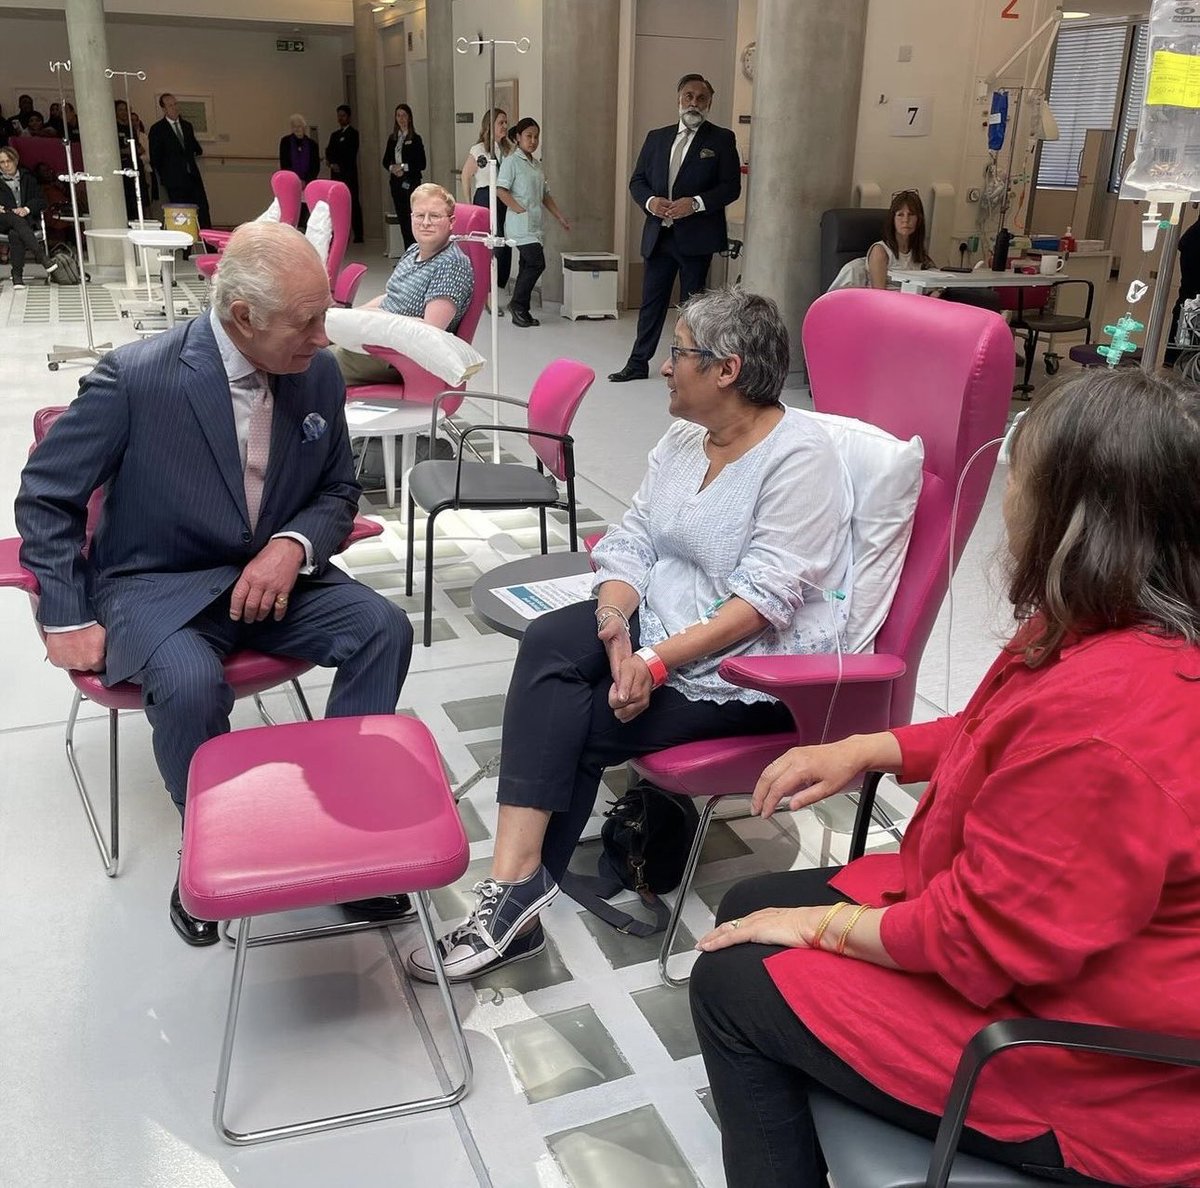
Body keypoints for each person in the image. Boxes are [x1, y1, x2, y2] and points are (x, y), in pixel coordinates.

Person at [688, 367, 1200, 1188]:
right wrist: (866, 748)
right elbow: (998, 732)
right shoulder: (1112, 624)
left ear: (1078, 516)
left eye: (1019, 478)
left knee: (730, 982)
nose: (1007, 502)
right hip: (1054, 957)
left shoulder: (1115, 721)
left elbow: (976, 940)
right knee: (751, 906)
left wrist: (819, 931)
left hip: (1086, 1061)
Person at [404, 287, 854, 984]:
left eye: (678, 353)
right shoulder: (683, 440)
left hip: (749, 668)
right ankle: (517, 886)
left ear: (726, 369)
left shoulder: (801, 458)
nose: (665, 367)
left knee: (578, 719)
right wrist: (616, 627)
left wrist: (654, 661)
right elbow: (634, 537)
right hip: (658, 621)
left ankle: (512, 902)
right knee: (553, 641)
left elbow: (764, 602)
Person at [16, 223, 415, 946]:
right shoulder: (138, 377)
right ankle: (209, 845)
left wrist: (292, 546)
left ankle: (341, 823)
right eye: (307, 321)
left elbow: (337, 490)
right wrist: (66, 612)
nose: (325, 338)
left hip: (271, 576)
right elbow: (47, 497)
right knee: (193, 683)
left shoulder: (315, 372)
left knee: (383, 629)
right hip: (158, 582)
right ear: (242, 318)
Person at [609, 75, 741, 382]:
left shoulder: (721, 139)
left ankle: (688, 368)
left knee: (693, 308)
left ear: (710, 103)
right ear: (678, 99)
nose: (694, 103)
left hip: (697, 238)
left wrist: (694, 203)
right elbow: (637, 181)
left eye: (701, 98)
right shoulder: (657, 137)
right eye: (688, 96)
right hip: (659, 235)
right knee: (651, 303)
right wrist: (651, 202)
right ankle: (638, 362)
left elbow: (730, 187)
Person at [330, 182, 474, 388]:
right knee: (310, 340)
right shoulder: (413, 251)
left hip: (397, 355)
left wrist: (376, 321)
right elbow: (389, 298)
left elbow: (430, 330)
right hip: (378, 338)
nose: (425, 222)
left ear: (451, 222)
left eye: (434, 216)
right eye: (419, 215)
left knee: (315, 364)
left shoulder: (451, 264)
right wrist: (353, 317)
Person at [495, 117, 571, 328]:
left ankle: (523, 310)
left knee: (527, 265)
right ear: (518, 137)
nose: (533, 140)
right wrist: (519, 209)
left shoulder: (536, 166)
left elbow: (545, 195)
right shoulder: (511, 161)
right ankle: (517, 305)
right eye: (528, 136)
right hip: (520, 225)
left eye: (536, 137)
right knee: (537, 263)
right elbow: (501, 190)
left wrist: (560, 217)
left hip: (535, 225)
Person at [461, 107, 512, 309]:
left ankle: (495, 289)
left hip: (502, 197)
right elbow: (466, 176)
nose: (505, 126)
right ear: (490, 125)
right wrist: (469, 205)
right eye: (501, 122)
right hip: (485, 197)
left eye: (506, 122)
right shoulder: (479, 150)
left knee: (503, 245)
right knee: (490, 247)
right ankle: (488, 296)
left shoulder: (508, 149)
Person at [148, 92, 211, 229]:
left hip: (192, 176)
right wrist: (166, 175)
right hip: (174, 179)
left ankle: (207, 242)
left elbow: (194, 147)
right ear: (164, 109)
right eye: (170, 105)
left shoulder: (186, 126)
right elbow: (155, 157)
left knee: (202, 208)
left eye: (175, 104)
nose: (174, 108)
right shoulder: (158, 129)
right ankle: (184, 246)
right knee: (180, 213)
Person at [0, 145, 59, 288]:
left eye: (9, 161)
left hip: (24, 222)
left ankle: (17, 277)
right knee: (14, 219)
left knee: (15, 234)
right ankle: (42, 257)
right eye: (2, 162)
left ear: (16, 160)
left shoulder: (28, 178)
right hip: (3, 219)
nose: (6, 165)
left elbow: (41, 201)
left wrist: (26, 209)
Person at [383, 104, 426, 249]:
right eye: (398, 115)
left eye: (404, 115)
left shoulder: (415, 139)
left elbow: (421, 163)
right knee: (402, 218)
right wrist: (393, 168)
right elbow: (385, 161)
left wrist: (403, 167)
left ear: (409, 118)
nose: (401, 119)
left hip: (411, 182)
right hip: (396, 183)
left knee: (412, 218)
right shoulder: (393, 139)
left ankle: (416, 250)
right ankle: (407, 252)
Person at [325, 104, 363, 244]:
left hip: (349, 173)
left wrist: (340, 164)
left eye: (343, 116)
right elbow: (329, 151)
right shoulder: (334, 135)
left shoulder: (354, 134)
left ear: (348, 117)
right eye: (339, 116)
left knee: (353, 202)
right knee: (337, 204)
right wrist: (332, 163)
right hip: (336, 175)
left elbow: (350, 153)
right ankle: (340, 234)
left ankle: (358, 234)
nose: (340, 118)